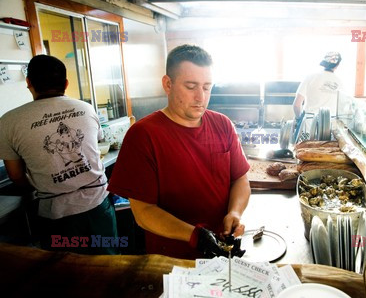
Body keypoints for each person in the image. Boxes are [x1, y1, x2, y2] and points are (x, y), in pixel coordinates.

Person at [107, 44, 251, 260]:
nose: (200, 97)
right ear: (168, 84)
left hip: (223, 250)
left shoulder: (223, 125)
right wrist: (194, 235)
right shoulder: (143, 135)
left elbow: (240, 178)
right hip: (171, 257)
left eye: (206, 87)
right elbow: (143, 212)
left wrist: (234, 212)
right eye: (191, 86)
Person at [0, 54, 118, 255]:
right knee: (111, 264)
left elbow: (16, 176)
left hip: (56, 214)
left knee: (65, 274)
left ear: (29, 83)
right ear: (66, 83)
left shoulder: (9, 121)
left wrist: (45, 185)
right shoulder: (86, 108)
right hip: (97, 205)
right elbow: (96, 144)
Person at [292, 51, 344, 140]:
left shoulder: (310, 77)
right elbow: (343, 108)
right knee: (324, 152)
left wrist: (298, 119)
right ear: (337, 65)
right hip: (329, 125)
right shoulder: (339, 82)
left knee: (304, 151)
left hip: (309, 123)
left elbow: (297, 105)